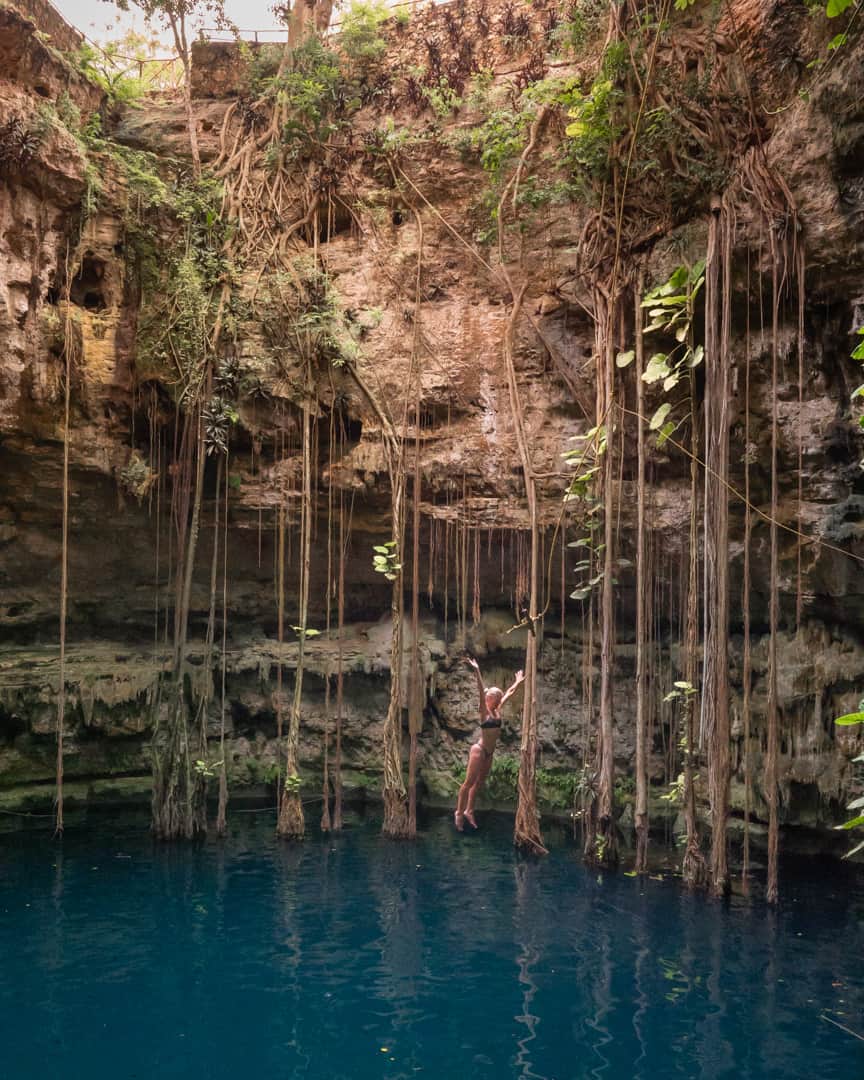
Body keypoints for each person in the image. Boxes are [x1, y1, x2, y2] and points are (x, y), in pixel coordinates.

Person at [454, 656, 524, 831]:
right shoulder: (484, 711)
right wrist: (476, 670)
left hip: (489, 753)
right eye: (496, 696)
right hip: (479, 750)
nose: (499, 698)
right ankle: (459, 812)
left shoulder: (497, 710)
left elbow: (509, 693)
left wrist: (517, 681)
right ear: (489, 699)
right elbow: (479, 689)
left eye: (499, 697)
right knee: (468, 783)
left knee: (479, 783)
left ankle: (470, 811)